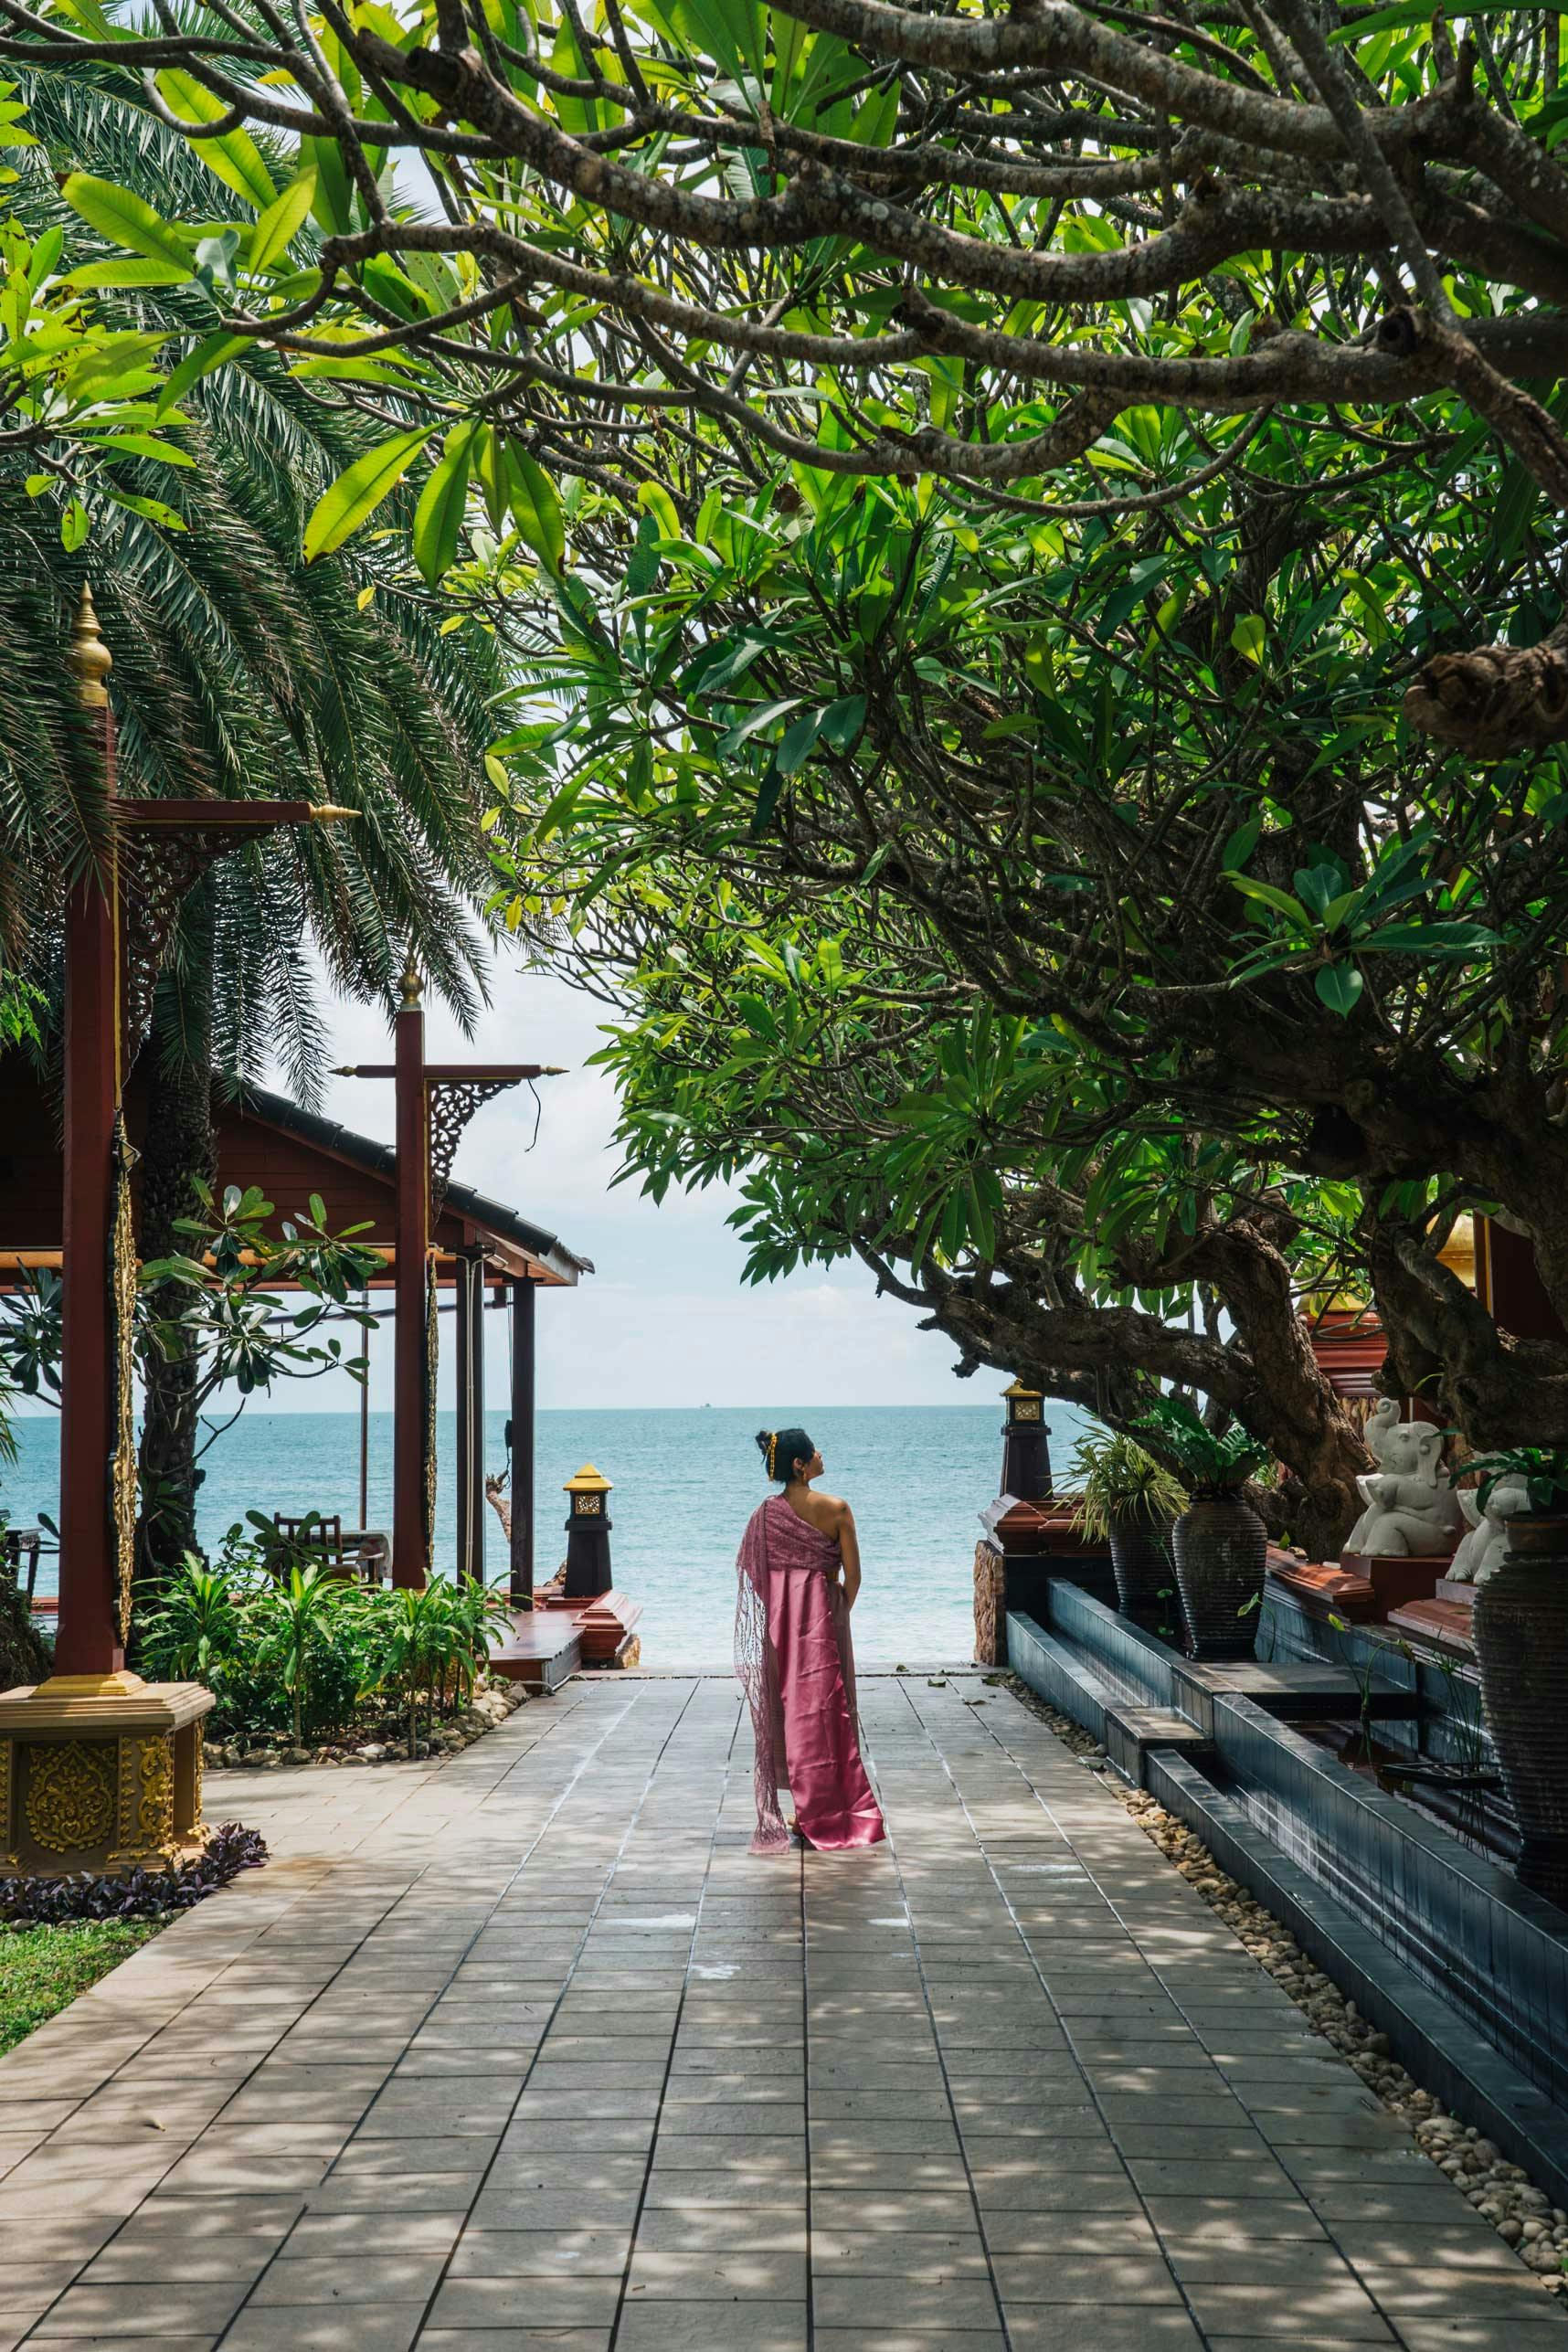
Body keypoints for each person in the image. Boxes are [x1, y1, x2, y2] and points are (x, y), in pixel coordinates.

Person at [735, 1425, 886, 1856]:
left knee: (789, 1713)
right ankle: (833, 1809)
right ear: (800, 1465)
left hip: (781, 1627)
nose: (822, 1454)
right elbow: (854, 1577)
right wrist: (836, 1612)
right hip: (827, 1621)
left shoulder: (765, 1515)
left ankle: (804, 1809)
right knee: (831, 1711)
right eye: (814, 1451)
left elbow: (752, 1570)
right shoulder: (838, 1508)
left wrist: (785, 1606)